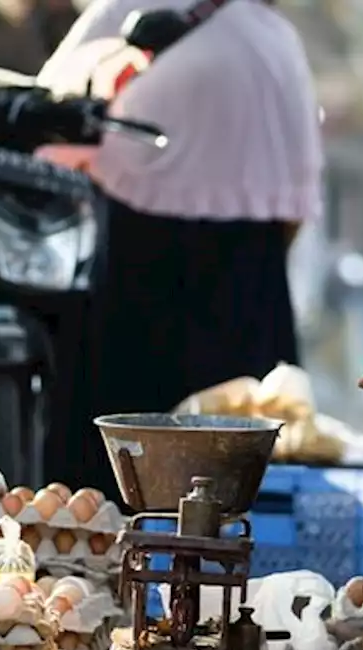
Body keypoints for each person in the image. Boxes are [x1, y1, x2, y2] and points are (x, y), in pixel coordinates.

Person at [36, 0, 323, 497]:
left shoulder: (137, 7)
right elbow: (294, 208)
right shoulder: (278, 44)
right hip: (248, 276)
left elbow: (47, 98)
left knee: (118, 452)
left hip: (139, 256)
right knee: (238, 462)